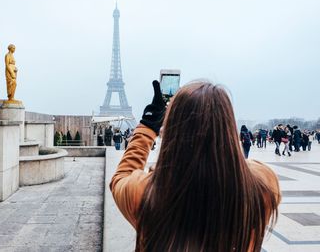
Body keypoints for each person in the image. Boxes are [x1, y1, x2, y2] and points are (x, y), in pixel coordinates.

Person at [110, 81, 280, 252]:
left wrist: (148, 124)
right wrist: (222, 147)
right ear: (228, 127)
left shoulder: (145, 192)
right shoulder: (262, 186)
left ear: (171, 132)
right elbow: (243, 166)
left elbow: (122, 176)